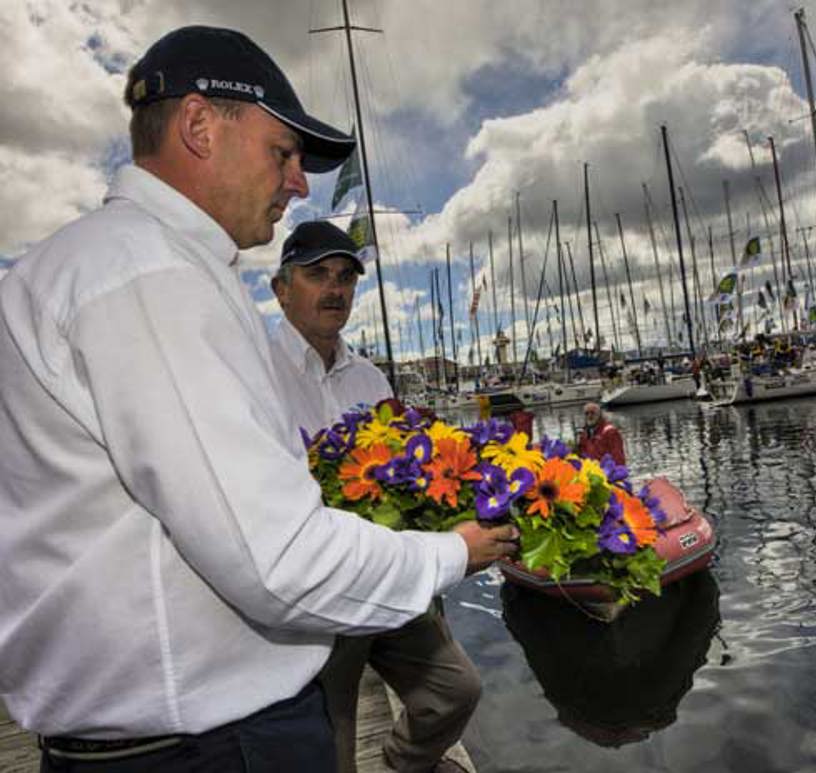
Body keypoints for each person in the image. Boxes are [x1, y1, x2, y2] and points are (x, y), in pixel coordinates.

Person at [0, 26, 517, 773]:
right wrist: (454, 551)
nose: (298, 182)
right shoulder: (153, 278)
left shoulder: (76, 267)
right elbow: (276, 560)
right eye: (283, 153)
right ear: (200, 126)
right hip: (205, 745)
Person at [269, 221, 478, 773]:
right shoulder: (254, 373)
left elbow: (402, 474)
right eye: (317, 274)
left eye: (345, 277)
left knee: (455, 690)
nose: (335, 289)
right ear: (281, 288)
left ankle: (402, 764)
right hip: (312, 587)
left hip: (378, 568)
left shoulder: (370, 379)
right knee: (332, 732)